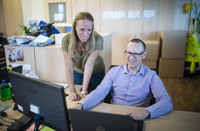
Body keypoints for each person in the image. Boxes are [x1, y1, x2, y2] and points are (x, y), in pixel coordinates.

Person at [73, 38, 173, 120]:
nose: (131, 57)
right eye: (128, 53)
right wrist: (80, 105)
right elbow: (99, 92)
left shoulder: (151, 76)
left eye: (136, 54)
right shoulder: (114, 72)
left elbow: (167, 102)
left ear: (144, 54)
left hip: (135, 118)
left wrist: (147, 111)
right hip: (113, 116)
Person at [61, 12, 105, 101]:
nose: (85, 34)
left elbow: (89, 66)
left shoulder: (98, 39)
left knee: (96, 97)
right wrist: (72, 90)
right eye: (82, 29)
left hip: (96, 69)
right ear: (74, 28)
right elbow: (68, 67)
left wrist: (84, 91)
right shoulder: (66, 40)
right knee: (78, 98)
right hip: (78, 70)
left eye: (89, 30)